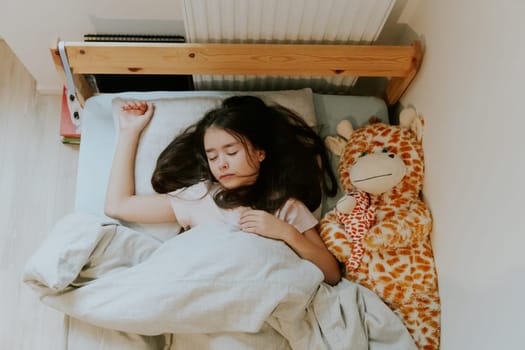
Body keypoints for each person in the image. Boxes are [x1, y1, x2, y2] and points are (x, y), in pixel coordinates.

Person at [105, 96, 342, 285]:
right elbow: (118, 206)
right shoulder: (201, 197)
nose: (222, 164)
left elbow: (331, 274)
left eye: (231, 152)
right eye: (213, 156)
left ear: (260, 153)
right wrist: (129, 132)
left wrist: (286, 233)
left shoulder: (286, 207)